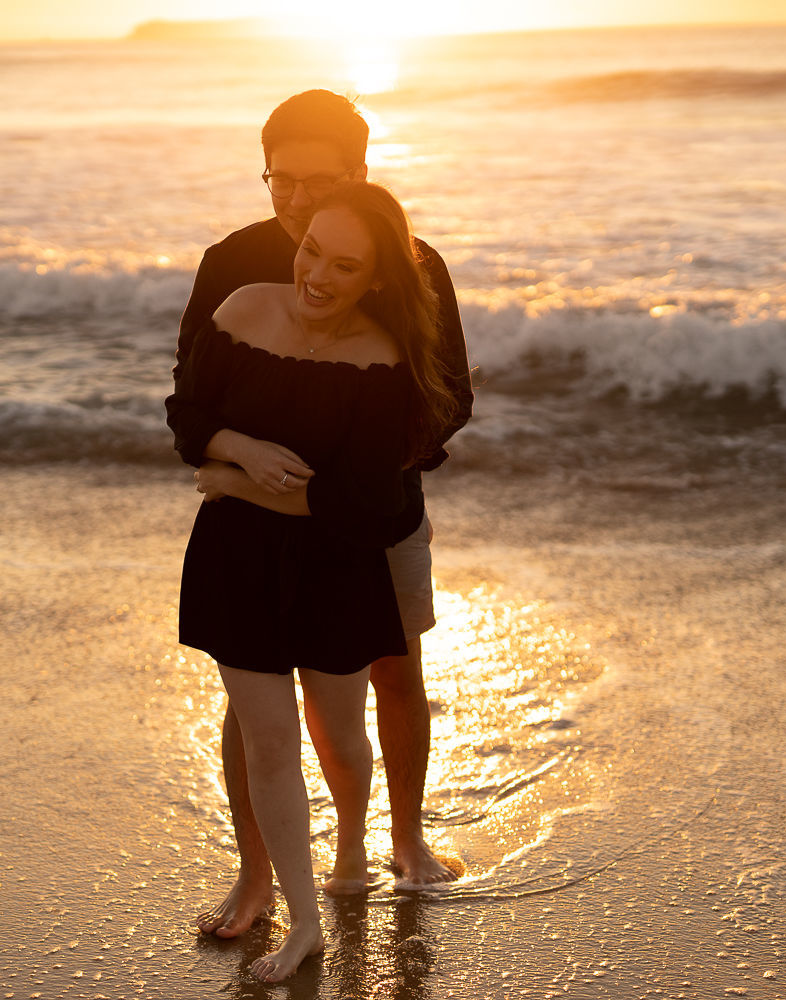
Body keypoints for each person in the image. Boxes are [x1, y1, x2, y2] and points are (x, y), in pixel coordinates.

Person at [169, 89, 473, 941]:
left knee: (394, 668)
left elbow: (449, 398)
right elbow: (191, 389)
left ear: (361, 173)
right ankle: (255, 873)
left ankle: (403, 838)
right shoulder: (231, 262)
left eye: (321, 181)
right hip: (256, 526)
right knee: (252, 703)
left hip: (375, 515)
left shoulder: (411, 262)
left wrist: (356, 483)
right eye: (282, 180)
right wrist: (248, 468)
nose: (298, 200)